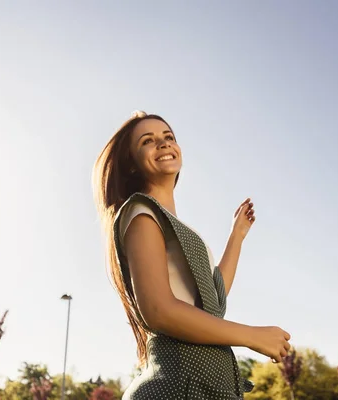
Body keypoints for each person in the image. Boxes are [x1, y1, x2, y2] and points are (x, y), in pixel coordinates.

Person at [93, 110, 291, 399]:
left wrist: (237, 236)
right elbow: (159, 310)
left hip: (201, 384)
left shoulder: (176, 226)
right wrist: (252, 336)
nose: (163, 144)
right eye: (148, 141)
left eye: (168, 137)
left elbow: (213, 297)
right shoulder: (141, 213)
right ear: (132, 165)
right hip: (180, 384)